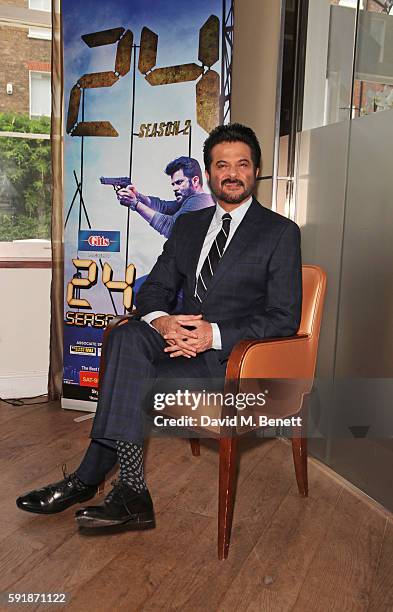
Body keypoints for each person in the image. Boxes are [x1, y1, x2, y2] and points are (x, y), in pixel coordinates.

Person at [16, 124, 302, 532]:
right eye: (223, 165)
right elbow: (155, 289)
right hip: (178, 347)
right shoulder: (189, 225)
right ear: (208, 173)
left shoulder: (280, 233)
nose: (233, 173)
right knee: (128, 336)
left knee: (127, 375)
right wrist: (165, 323)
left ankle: (89, 479)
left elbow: (283, 315)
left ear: (256, 170)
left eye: (242, 164)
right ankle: (131, 490)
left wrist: (211, 334)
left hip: (233, 364)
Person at [117, 156, 214, 239]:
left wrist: (134, 203)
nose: (175, 188)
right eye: (173, 184)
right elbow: (162, 206)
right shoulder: (187, 202)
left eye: (179, 182)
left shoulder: (201, 202)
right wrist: (137, 196)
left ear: (195, 181)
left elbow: (171, 228)